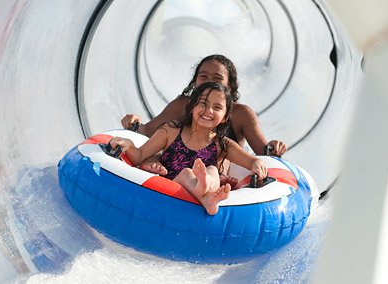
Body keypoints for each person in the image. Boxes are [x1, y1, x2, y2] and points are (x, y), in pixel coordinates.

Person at [109, 82, 267, 215]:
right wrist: (129, 144)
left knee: (212, 170)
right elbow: (139, 155)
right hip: (171, 195)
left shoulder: (222, 144)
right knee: (186, 174)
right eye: (203, 103)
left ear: (225, 117)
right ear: (191, 107)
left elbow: (252, 160)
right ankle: (203, 190)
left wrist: (257, 166)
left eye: (217, 107)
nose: (208, 110)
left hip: (198, 203)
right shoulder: (170, 131)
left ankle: (205, 193)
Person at [121, 54, 286, 178]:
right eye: (203, 76)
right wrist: (134, 123)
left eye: (218, 78)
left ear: (230, 85)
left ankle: (208, 186)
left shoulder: (240, 116)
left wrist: (272, 148)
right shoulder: (181, 107)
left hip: (215, 172)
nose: (209, 81)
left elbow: (262, 154)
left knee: (215, 169)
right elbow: (147, 133)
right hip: (174, 169)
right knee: (156, 154)